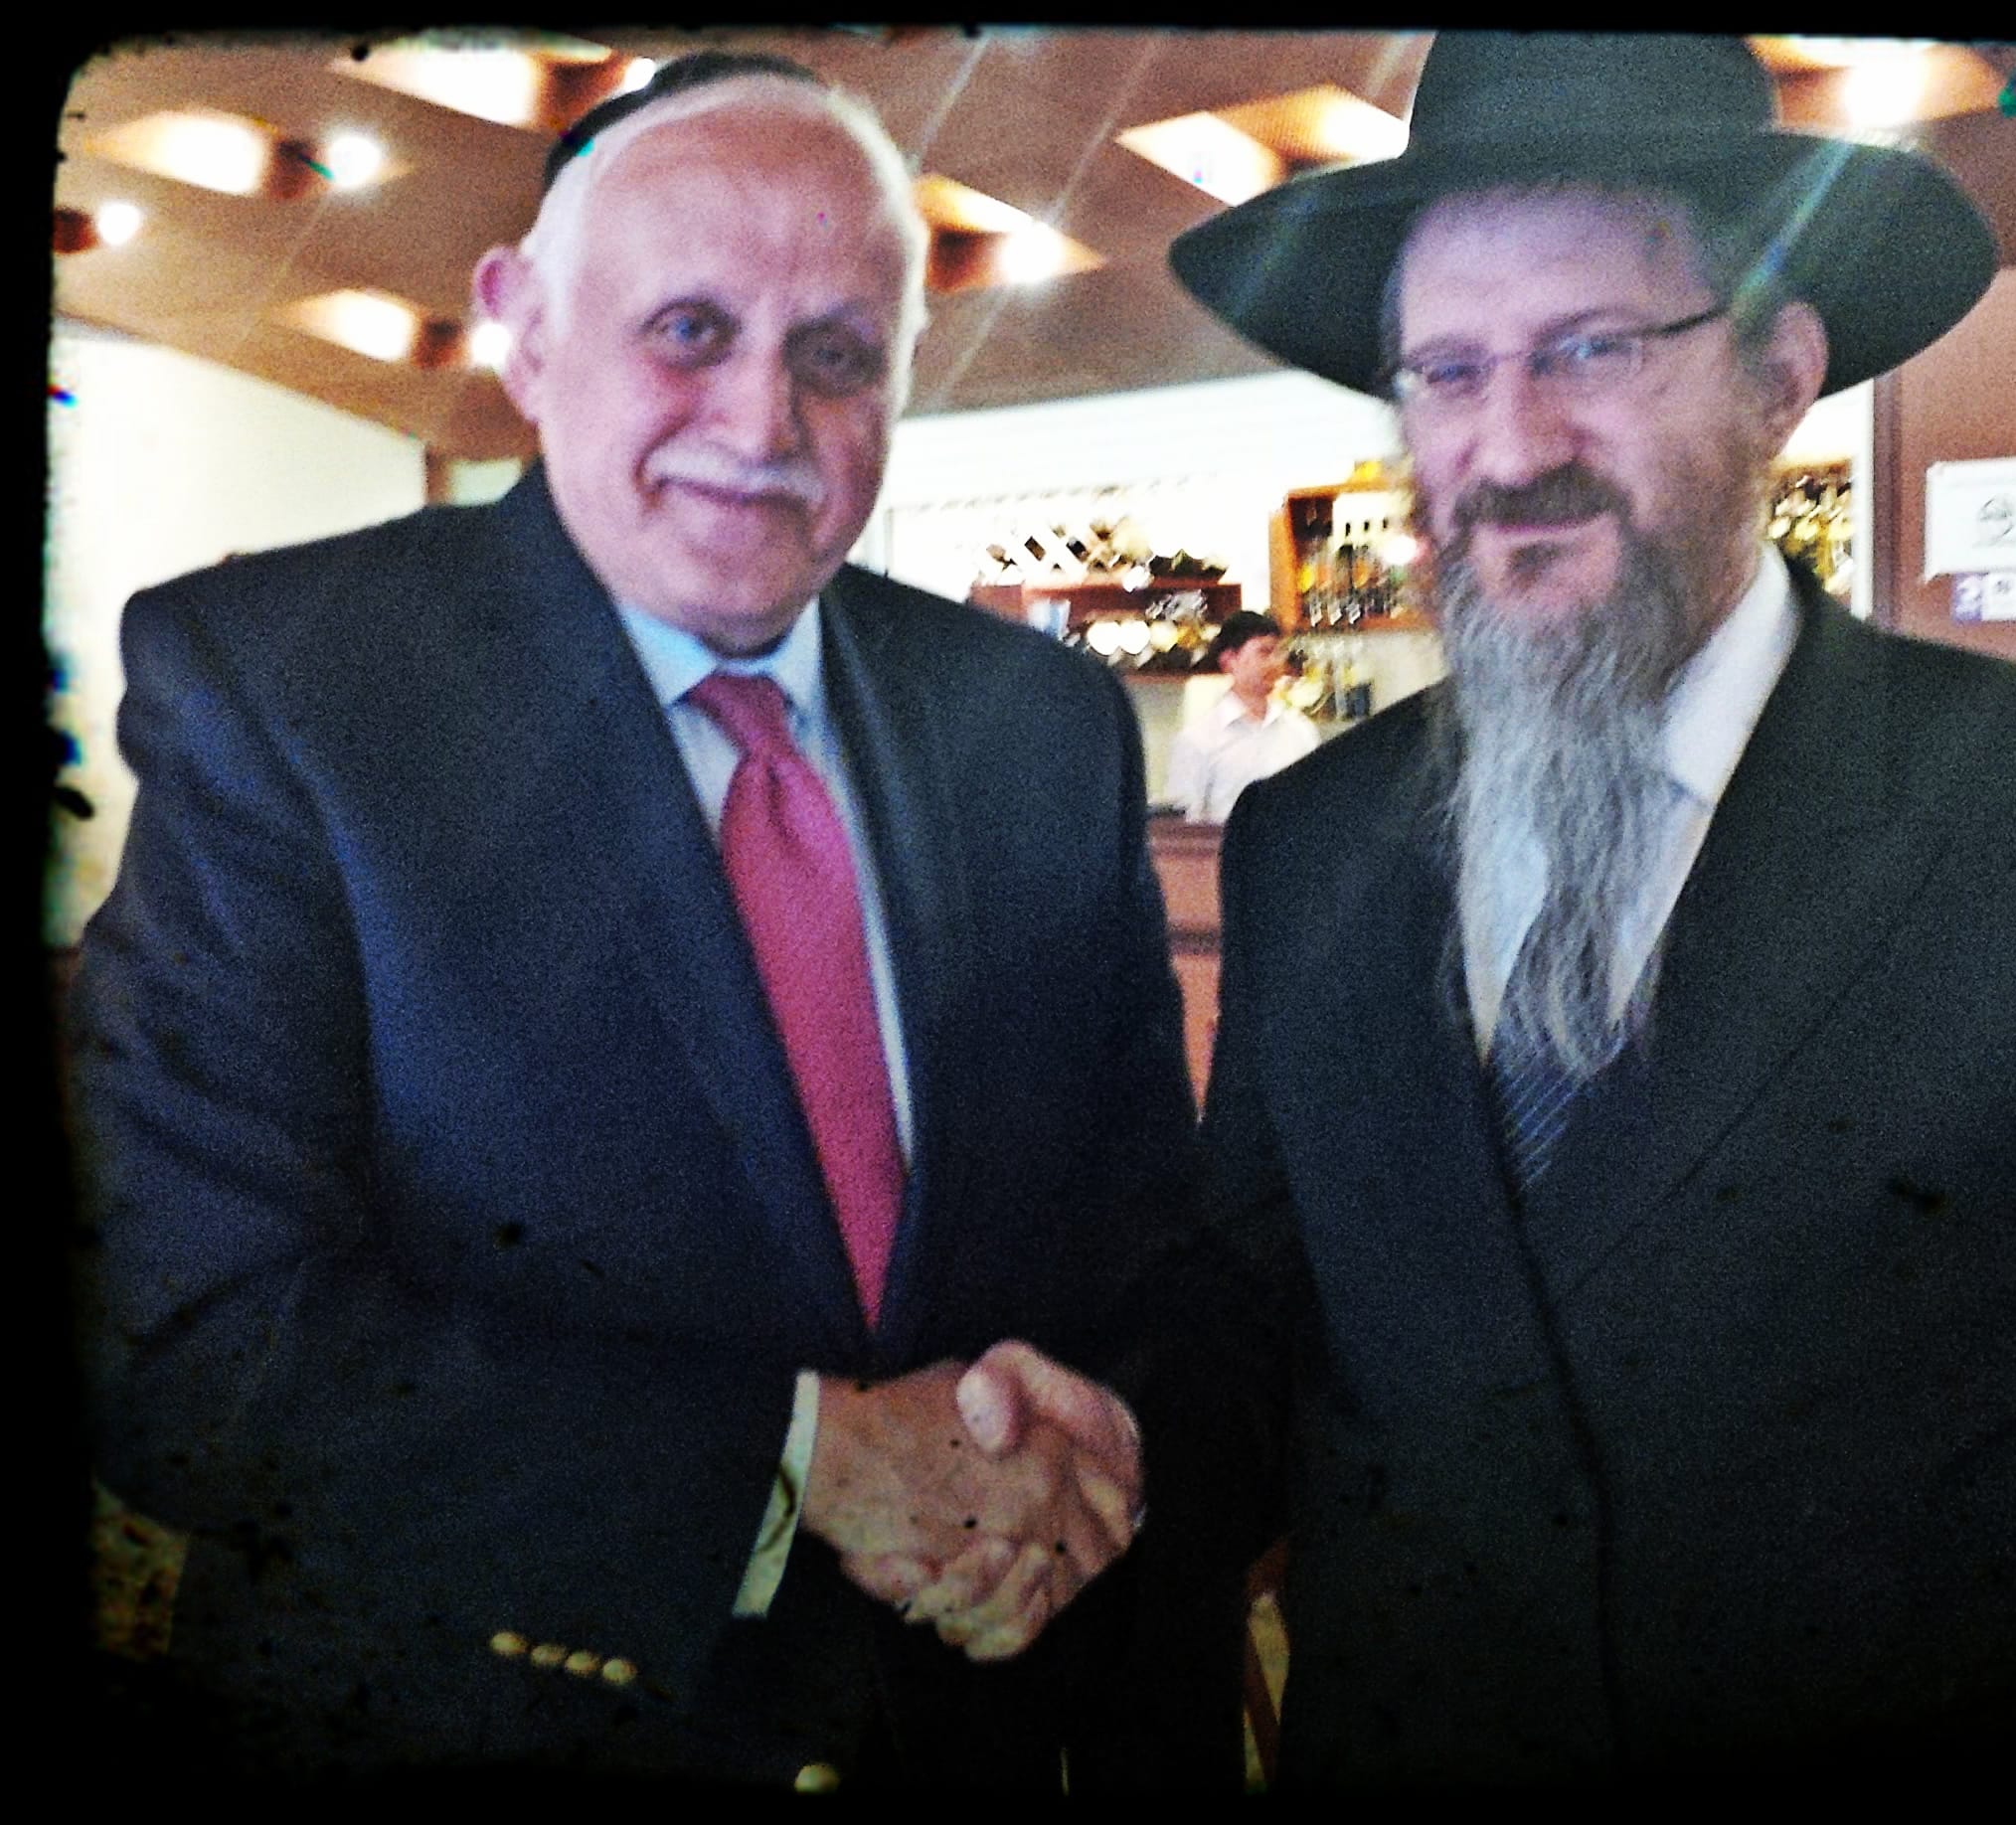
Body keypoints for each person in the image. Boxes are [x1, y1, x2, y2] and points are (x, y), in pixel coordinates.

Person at [1136, 31, 2016, 1785]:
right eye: (1444, 371)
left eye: (1588, 350)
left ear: (1776, 372)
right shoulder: (1308, 841)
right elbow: (1255, 1341)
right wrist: (1047, 1469)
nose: (1507, 444)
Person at [68, 52, 1234, 1790]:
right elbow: (187, 1334)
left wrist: (1094, 1448)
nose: (762, 426)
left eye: (836, 354)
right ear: (523, 331)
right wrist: (793, 1463)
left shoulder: (1034, 724)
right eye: (687, 330)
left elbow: (1142, 1243)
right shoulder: (288, 697)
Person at [1164, 610, 1320, 823]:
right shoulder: (1198, 740)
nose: (1275, 663)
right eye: (1264, 653)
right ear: (1230, 660)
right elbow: (1183, 828)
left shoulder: (1301, 730)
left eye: (1278, 653)